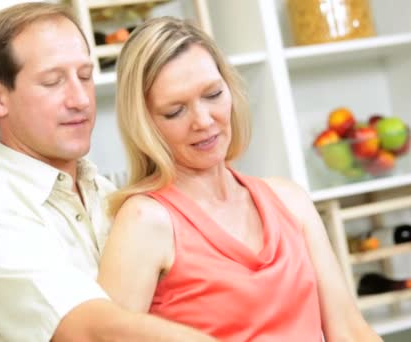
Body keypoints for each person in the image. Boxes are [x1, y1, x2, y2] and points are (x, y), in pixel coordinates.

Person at [0, 4, 216, 341]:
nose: (80, 99)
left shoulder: (105, 193)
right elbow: (94, 333)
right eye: (53, 81)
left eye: (85, 76)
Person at [98, 17, 383, 341]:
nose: (204, 121)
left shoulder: (289, 201)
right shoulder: (144, 221)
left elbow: (350, 331)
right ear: (145, 125)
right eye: (175, 111)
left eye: (213, 94)